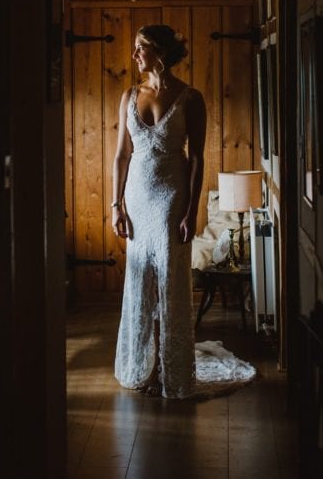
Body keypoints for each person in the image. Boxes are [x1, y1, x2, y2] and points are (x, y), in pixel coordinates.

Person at [112, 24, 256, 399]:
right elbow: (121, 156)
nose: (134, 55)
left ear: (158, 51)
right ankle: (144, 366)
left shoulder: (190, 98)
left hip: (171, 198)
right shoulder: (129, 95)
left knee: (170, 282)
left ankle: (170, 370)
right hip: (137, 199)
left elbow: (196, 159)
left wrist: (191, 212)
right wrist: (117, 205)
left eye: (140, 48)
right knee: (141, 281)